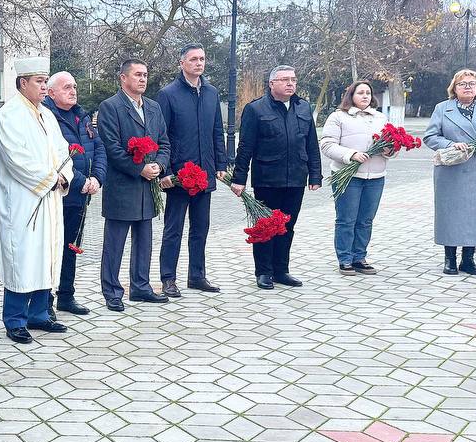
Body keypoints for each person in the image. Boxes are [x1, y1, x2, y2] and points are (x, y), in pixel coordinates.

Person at [0, 58, 74, 344]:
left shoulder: (47, 115)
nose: (43, 85)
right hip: (23, 201)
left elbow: (63, 149)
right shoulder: (8, 115)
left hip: (49, 199)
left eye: (45, 80)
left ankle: (40, 313)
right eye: (39, 81)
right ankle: (15, 319)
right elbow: (17, 160)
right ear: (22, 83)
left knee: (47, 255)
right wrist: (52, 178)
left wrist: (65, 175)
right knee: (23, 258)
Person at [229, 65, 322, 290]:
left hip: (296, 179)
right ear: (272, 84)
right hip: (267, 178)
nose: (290, 84)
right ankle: (263, 272)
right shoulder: (256, 109)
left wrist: (315, 174)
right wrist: (239, 178)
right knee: (266, 226)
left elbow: (311, 143)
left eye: (293, 79)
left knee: (287, 227)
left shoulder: (303, 107)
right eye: (285, 80)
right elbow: (245, 146)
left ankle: (281, 270)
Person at [98, 58, 170, 311]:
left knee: (145, 240)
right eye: (138, 74)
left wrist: (159, 166)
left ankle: (140, 287)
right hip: (123, 185)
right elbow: (112, 148)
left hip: (148, 187)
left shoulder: (153, 107)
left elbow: (164, 143)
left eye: (145, 74)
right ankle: (112, 291)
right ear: (123, 78)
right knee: (114, 243)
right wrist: (139, 169)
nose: (142, 79)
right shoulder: (110, 107)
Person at [157, 44, 226, 296]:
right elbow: (160, 134)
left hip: (204, 172)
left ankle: (197, 276)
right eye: (194, 59)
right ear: (182, 63)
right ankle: (168, 278)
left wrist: (220, 163)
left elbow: (217, 130)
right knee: (173, 229)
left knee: (201, 227)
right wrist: (165, 170)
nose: (199, 63)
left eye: (202, 59)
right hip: (177, 174)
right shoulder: (168, 94)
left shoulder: (211, 93)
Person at [423, 69, 476, 276]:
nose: (467, 87)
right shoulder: (443, 108)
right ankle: (449, 259)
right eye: (462, 84)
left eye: (471, 83)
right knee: (451, 214)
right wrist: (450, 144)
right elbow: (430, 137)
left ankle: (469, 259)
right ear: (454, 88)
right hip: (453, 169)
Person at [43, 71, 105, 315]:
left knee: (70, 246)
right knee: (52, 248)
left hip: (82, 194)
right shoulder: (48, 116)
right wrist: (80, 181)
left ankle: (66, 295)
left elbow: (98, 148)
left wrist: (97, 178)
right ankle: (44, 301)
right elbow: (55, 157)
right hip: (60, 193)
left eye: (74, 86)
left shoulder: (82, 115)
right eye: (67, 87)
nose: (73, 91)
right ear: (52, 92)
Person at [320, 81, 393, 275]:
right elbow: (327, 144)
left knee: (366, 220)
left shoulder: (380, 118)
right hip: (348, 176)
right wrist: (350, 155)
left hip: (376, 176)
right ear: (351, 95)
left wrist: (389, 150)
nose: (365, 96)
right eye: (360, 92)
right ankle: (345, 259)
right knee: (347, 219)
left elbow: (390, 145)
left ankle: (359, 257)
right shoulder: (338, 117)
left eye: (368, 93)